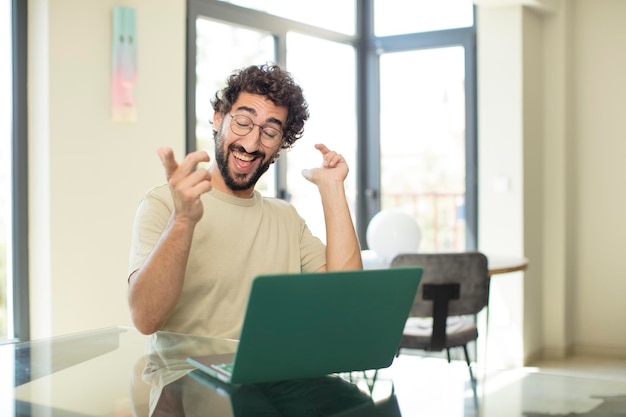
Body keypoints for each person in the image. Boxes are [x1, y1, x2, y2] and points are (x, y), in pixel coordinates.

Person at [127, 64, 362, 338]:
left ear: (281, 144)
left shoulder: (286, 218)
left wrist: (332, 189)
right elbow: (145, 319)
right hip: (186, 376)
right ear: (218, 119)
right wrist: (182, 221)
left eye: (270, 133)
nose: (251, 144)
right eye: (242, 123)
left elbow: (345, 300)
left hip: (271, 374)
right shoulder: (165, 204)